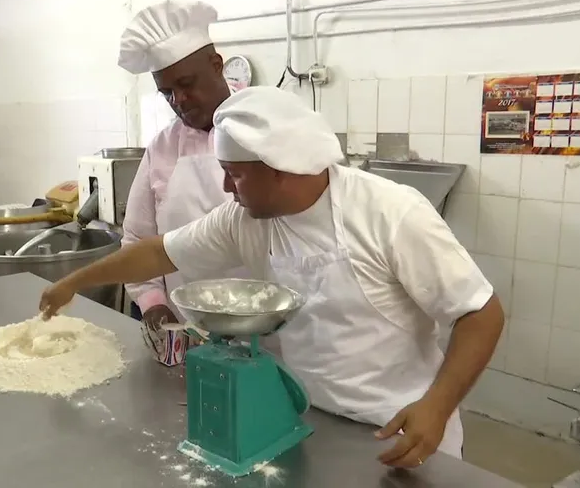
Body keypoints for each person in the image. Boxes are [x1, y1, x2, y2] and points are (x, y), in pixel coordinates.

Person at [39, 87, 505, 468]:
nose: (225, 188)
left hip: (403, 433)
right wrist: (74, 281)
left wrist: (439, 406)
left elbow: (480, 313)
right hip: (310, 422)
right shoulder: (243, 220)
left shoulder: (390, 213)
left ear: (282, 171)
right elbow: (159, 253)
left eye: (234, 175)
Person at [119, 0, 246, 366]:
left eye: (186, 84)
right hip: (188, 339)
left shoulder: (266, 129)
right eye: (167, 92)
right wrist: (153, 304)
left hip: (269, 340)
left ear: (216, 65)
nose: (179, 100)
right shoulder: (162, 148)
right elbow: (138, 240)